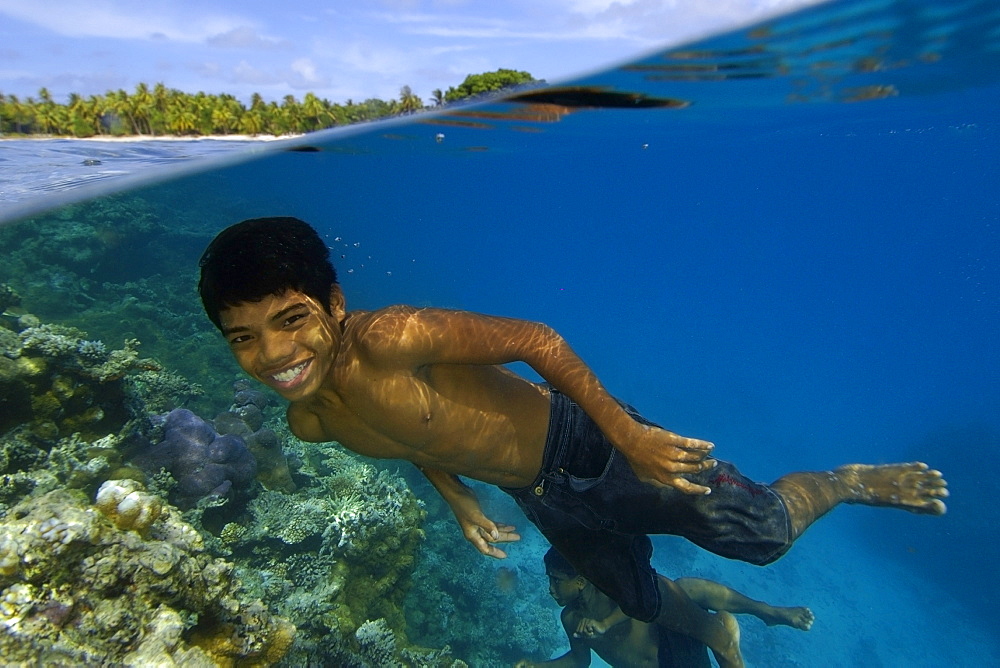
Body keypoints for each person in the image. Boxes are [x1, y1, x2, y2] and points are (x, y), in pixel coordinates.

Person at [198, 217, 948, 668]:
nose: (272, 354)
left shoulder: (392, 338)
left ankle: (844, 479)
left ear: (334, 302)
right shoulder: (313, 421)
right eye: (243, 337)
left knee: (765, 537)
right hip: (541, 496)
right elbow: (403, 434)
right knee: (635, 600)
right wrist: (457, 498)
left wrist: (631, 434)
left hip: (590, 443)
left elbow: (535, 339)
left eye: (290, 319)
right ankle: (713, 618)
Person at [513, 547, 814, 668]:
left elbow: (640, 600)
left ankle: (765, 611)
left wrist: (605, 625)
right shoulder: (570, 618)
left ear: (580, 581)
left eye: (556, 580)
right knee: (721, 624)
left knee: (684, 587)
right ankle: (727, 631)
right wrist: (539, 666)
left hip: (676, 649)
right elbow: (580, 662)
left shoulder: (613, 592)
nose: (550, 588)